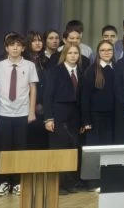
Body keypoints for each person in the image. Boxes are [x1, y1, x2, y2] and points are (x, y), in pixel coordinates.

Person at [0, 33, 38, 197]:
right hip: (3, 112)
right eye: (12, 45)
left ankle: (18, 182)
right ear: (6, 48)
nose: (15, 48)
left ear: (23, 48)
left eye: (19, 45)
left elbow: (33, 89)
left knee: (20, 148)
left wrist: (31, 111)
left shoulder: (30, 65)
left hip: (22, 112)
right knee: (3, 148)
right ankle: (3, 182)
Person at [44, 43, 84, 194]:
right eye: (70, 53)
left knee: (72, 148)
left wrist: (83, 120)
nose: (73, 56)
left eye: (76, 53)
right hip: (58, 114)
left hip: (75, 116)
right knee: (59, 148)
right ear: (64, 55)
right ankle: (57, 184)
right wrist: (48, 118)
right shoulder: (55, 71)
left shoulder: (81, 71)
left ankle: (69, 183)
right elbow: (48, 95)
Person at [80, 40, 116, 190]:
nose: (106, 52)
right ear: (98, 53)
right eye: (103, 50)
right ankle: (93, 182)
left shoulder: (116, 69)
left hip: (112, 118)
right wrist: (86, 120)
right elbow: (85, 98)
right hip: (95, 118)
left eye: (109, 50)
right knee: (95, 150)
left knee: (108, 149)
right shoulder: (91, 71)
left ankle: (107, 181)